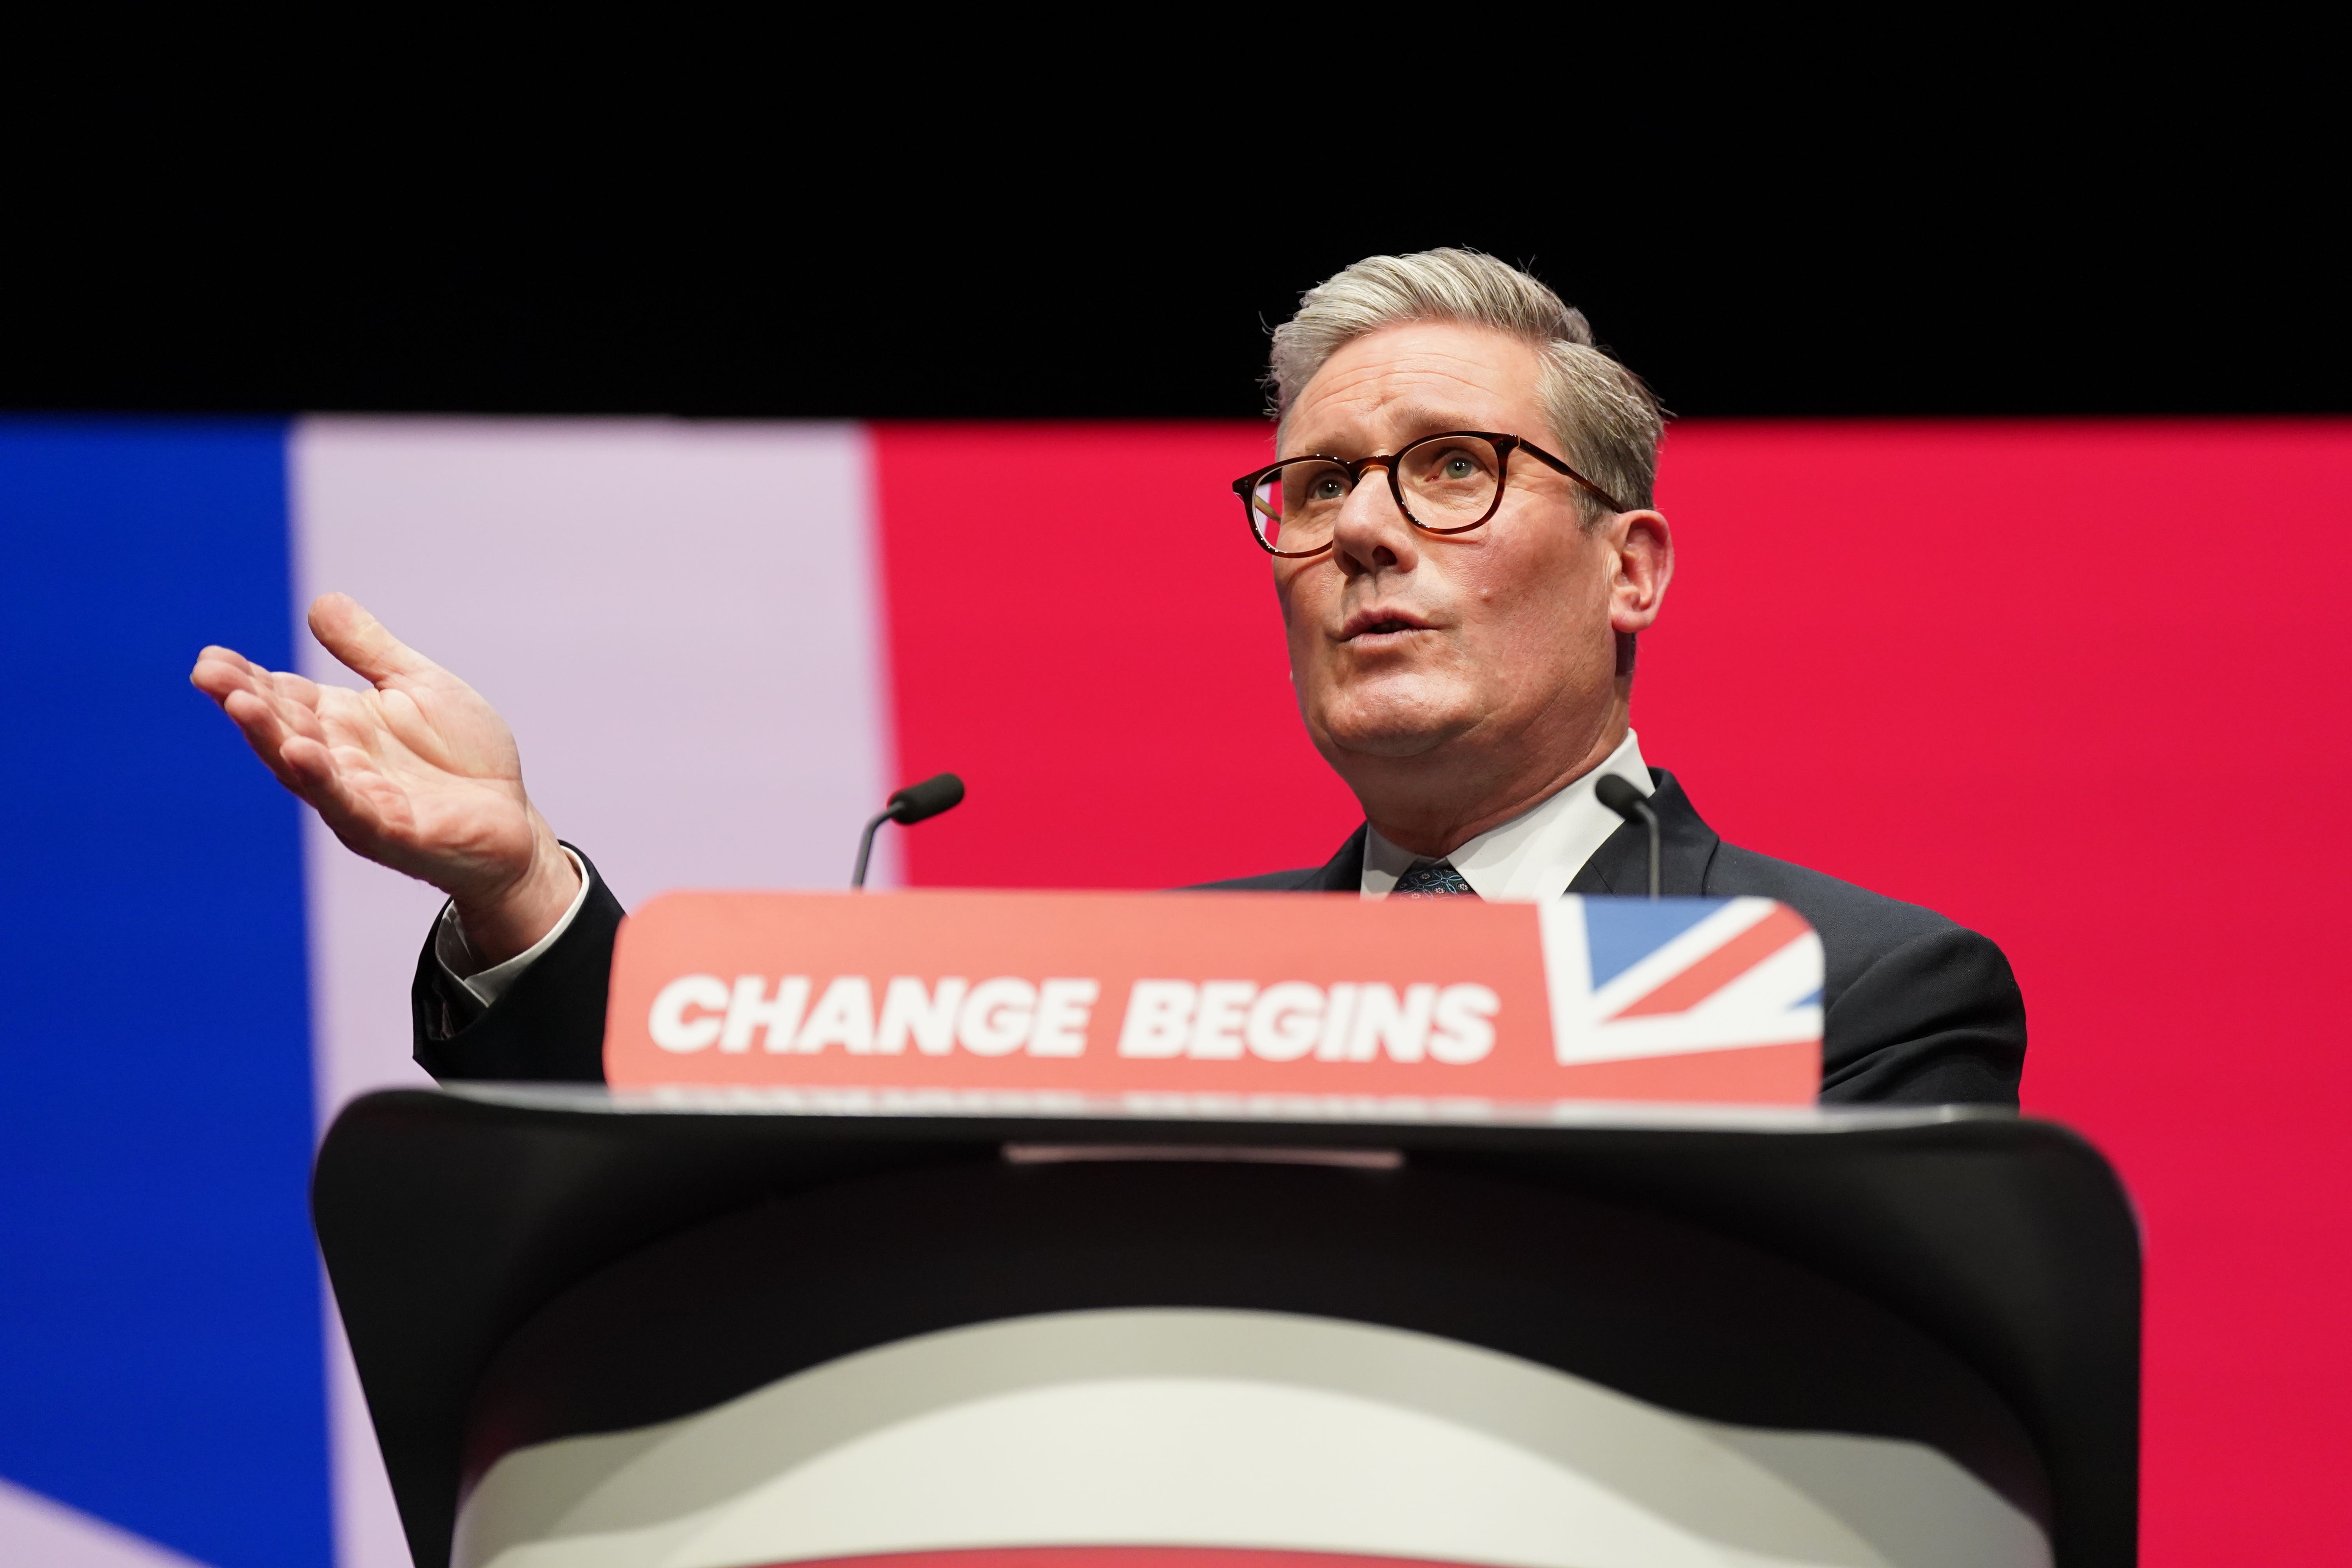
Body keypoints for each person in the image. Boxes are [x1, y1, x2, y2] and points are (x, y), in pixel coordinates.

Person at [192, 250, 2024, 1103]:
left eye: (1452, 469)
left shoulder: (1839, 997)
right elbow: (738, 1192)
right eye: (1314, 488)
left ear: (1633, 564)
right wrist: (517, 886)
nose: (1367, 535)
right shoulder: (1152, 1008)